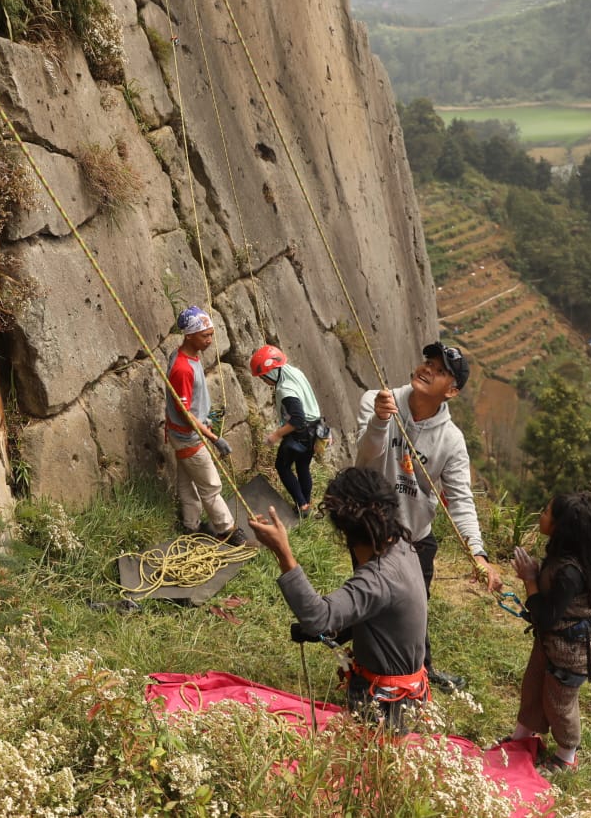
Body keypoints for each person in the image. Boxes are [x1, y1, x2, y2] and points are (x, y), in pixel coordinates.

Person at [355, 341, 501, 692]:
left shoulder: (451, 440)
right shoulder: (378, 400)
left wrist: (476, 554)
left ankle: (420, 671)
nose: (427, 369)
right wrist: (379, 421)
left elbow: (461, 500)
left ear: (451, 391)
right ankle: (365, 675)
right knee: (370, 603)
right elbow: (365, 462)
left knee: (415, 608)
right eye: (428, 362)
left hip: (416, 537)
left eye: (439, 370)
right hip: (372, 531)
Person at [249, 467, 429, 731]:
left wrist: (282, 552)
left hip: (386, 706)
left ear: (344, 529)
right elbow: (376, 613)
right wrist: (340, 631)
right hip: (408, 694)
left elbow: (318, 618)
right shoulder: (402, 546)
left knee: (366, 767)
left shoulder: (378, 579)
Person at [504, 492, 591, 775]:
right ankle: (522, 737)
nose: (541, 514)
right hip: (550, 643)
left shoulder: (569, 573)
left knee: (559, 702)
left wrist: (530, 579)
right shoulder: (563, 559)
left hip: (570, 652)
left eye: (546, 511)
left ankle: (566, 755)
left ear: (560, 526)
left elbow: (546, 616)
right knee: (533, 686)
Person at [165, 306, 248, 545]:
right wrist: (214, 438)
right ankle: (227, 530)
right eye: (205, 335)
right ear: (189, 335)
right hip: (188, 436)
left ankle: (191, 525)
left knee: (187, 481)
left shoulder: (189, 356)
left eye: (211, 334)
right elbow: (185, 412)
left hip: (185, 433)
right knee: (211, 485)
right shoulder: (182, 368)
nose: (210, 340)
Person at [250, 345, 322, 516]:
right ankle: (307, 503)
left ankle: (302, 505)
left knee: (282, 467)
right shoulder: (294, 372)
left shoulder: (285, 389)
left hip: (300, 434)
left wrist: (276, 435)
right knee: (303, 466)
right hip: (316, 428)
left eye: (263, 377)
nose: (264, 381)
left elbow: (297, 419)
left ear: (271, 372)